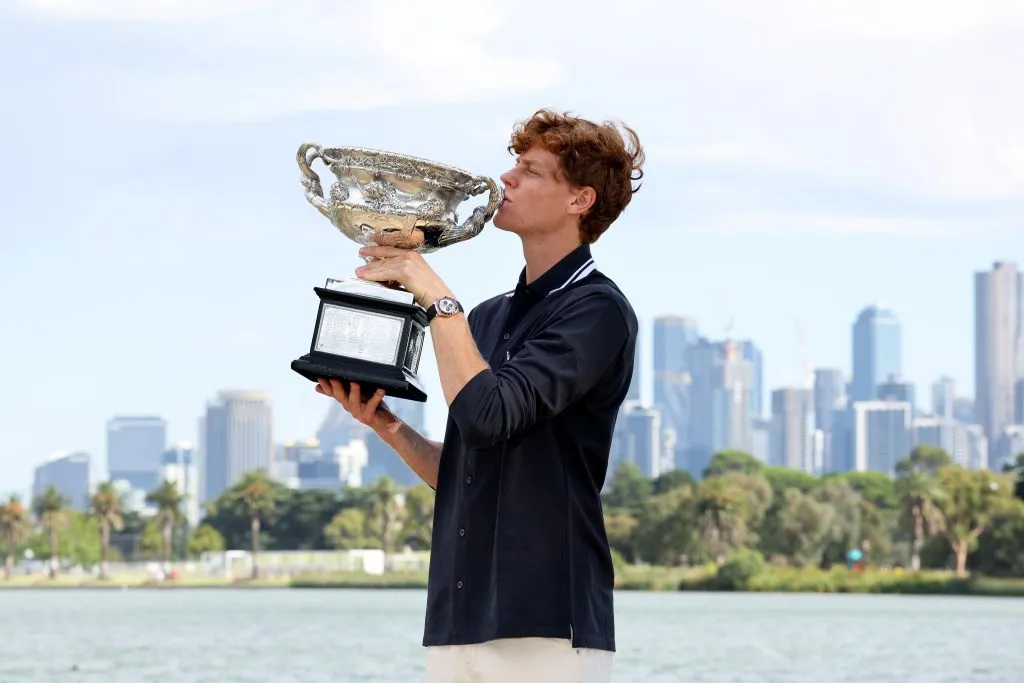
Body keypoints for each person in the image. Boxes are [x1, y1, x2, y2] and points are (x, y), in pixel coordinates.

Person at [316, 108, 644, 683]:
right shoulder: (487, 319)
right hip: (456, 619)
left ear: (580, 201)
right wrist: (390, 428)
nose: (507, 181)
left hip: (546, 624)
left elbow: (489, 415)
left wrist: (438, 299)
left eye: (532, 171)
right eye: (514, 165)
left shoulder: (596, 311)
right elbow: (469, 470)